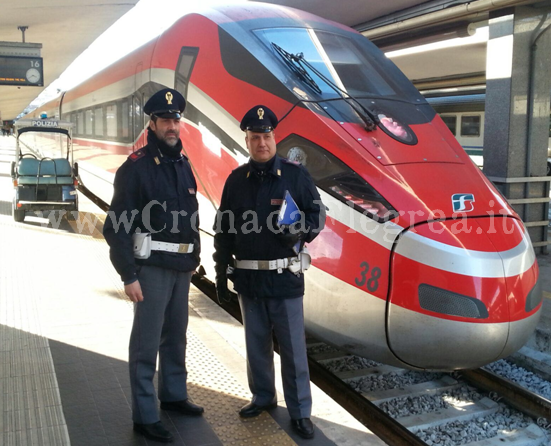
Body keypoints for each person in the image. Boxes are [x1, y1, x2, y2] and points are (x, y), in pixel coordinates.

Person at [213, 105, 325, 439]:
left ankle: (300, 411)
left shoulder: (295, 175)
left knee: (292, 349)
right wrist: (220, 272)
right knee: (256, 344)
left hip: (285, 277)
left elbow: (317, 214)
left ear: (274, 138)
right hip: (249, 280)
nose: (262, 142)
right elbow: (224, 230)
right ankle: (263, 397)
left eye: (267, 136)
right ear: (246, 140)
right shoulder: (236, 180)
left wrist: (300, 230)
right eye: (255, 137)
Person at [104, 88, 203, 444]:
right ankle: (146, 415)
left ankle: (174, 395)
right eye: (165, 119)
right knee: (146, 345)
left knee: (176, 337)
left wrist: (194, 258)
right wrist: (128, 275)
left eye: (176, 119)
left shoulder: (182, 163)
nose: (172, 125)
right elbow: (116, 226)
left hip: (180, 266)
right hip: (152, 268)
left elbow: (190, 217)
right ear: (153, 122)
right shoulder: (137, 167)